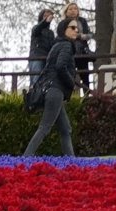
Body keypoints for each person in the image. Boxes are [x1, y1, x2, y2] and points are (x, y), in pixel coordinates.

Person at [23, 16, 80, 156]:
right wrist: (71, 83)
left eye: (77, 28)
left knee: (66, 129)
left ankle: (71, 162)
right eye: (72, 28)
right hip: (56, 91)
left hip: (52, 89)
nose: (76, 30)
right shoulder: (66, 45)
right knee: (44, 127)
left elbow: (49, 68)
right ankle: (25, 159)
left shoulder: (56, 45)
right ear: (63, 30)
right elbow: (60, 67)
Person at [60, 3, 93, 91]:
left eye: (75, 9)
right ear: (66, 12)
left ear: (78, 11)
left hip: (82, 52)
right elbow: (61, 36)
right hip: (69, 51)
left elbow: (89, 35)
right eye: (70, 9)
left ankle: (87, 98)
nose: (73, 11)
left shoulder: (82, 21)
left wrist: (78, 36)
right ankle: (69, 99)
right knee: (69, 76)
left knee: (85, 76)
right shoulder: (63, 23)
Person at [28, 9, 56, 86]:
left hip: (47, 59)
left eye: (49, 16)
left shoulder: (51, 33)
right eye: (45, 15)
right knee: (36, 81)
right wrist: (45, 22)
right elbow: (37, 30)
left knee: (47, 82)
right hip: (36, 58)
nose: (47, 17)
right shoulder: (36, 28)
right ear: (41, 17)